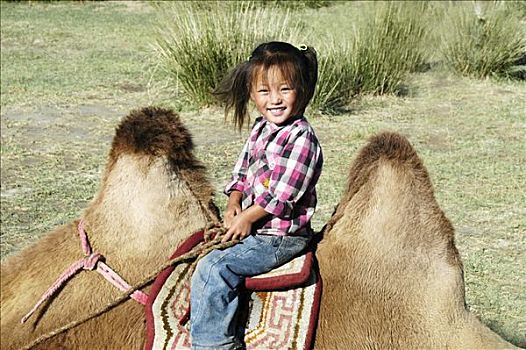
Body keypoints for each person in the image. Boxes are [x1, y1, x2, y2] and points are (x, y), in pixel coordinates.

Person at [190, 41, 323, 350]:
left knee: (215, 268)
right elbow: (241, 172)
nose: (274, 100)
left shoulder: (302, 139)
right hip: (257, 225)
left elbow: (282, 195)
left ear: (300, 91)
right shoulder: (260, 128)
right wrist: (234, 204)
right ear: (252, 94)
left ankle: (215, 345)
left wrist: (248, 217)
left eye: (284, 90)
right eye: (264, 92)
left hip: (280, 236)